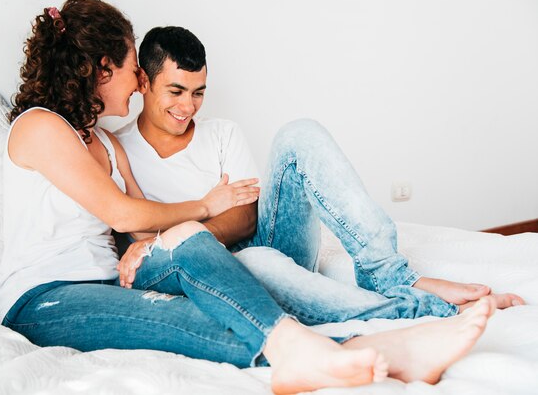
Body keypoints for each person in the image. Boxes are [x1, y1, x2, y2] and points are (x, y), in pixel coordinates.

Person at [0, 0, 496, 395]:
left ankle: (358, 334)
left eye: (197, 92)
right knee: (200, 309)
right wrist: (205, 207)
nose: (135, 82)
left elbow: (140, 230)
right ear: (102, 67)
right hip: (44, 297)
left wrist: (153, 241)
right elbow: (119, 211)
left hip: (112, 283)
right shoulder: (40, 127)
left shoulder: (103, 140)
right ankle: (369, 342)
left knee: (202, 274)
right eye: (133, 69)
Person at [115, 26, 524, 324]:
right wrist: (203, 220)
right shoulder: (120, 149)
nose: (189, 106)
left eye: (198, 92)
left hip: (263, 246)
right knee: (259, 260)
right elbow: (132, 232)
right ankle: (429, 310)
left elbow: (244, 217)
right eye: (176, 91)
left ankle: (390, 274)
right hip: (215, 270)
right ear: (145, 83)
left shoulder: (222, 133)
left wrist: (185, 230)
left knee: (300, 133)